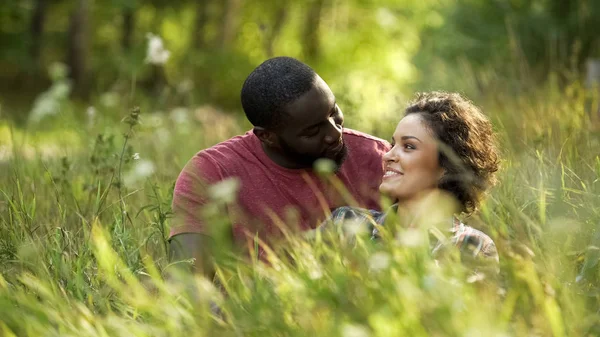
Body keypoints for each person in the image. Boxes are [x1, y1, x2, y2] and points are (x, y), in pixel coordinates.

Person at [169, 57, 390, 277]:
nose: (335, 134)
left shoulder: (378, 157)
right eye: (312, 132)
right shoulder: (211, 173)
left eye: (333, 112)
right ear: (267, 136)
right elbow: (185, 283)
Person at [316, 91, 500, 272]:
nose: (388, 155)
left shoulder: (473, 246)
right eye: (393, 144)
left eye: (409, 146)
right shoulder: (345, 223)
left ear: (446, 165)